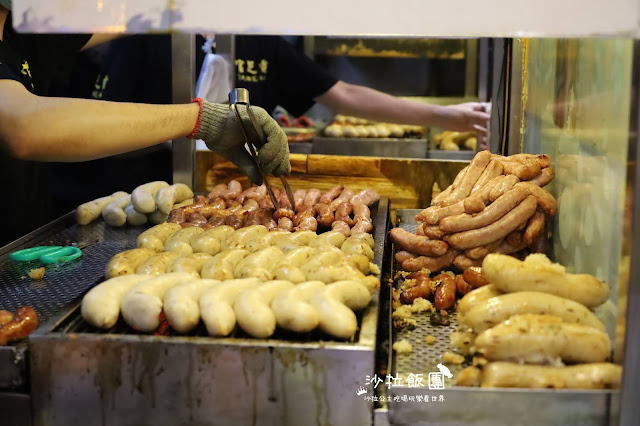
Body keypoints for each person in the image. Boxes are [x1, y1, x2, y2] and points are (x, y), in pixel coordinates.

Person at [0, 4, 289, 244]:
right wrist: (203, 119)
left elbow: (132, 14)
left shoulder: (20, 30)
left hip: (18, 252)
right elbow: (25, 125)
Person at [232, 35, 490, 133]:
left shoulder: (259, 43)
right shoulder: (190, 51)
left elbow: (344, 94)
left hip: (250, 184)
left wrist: (444, 116)